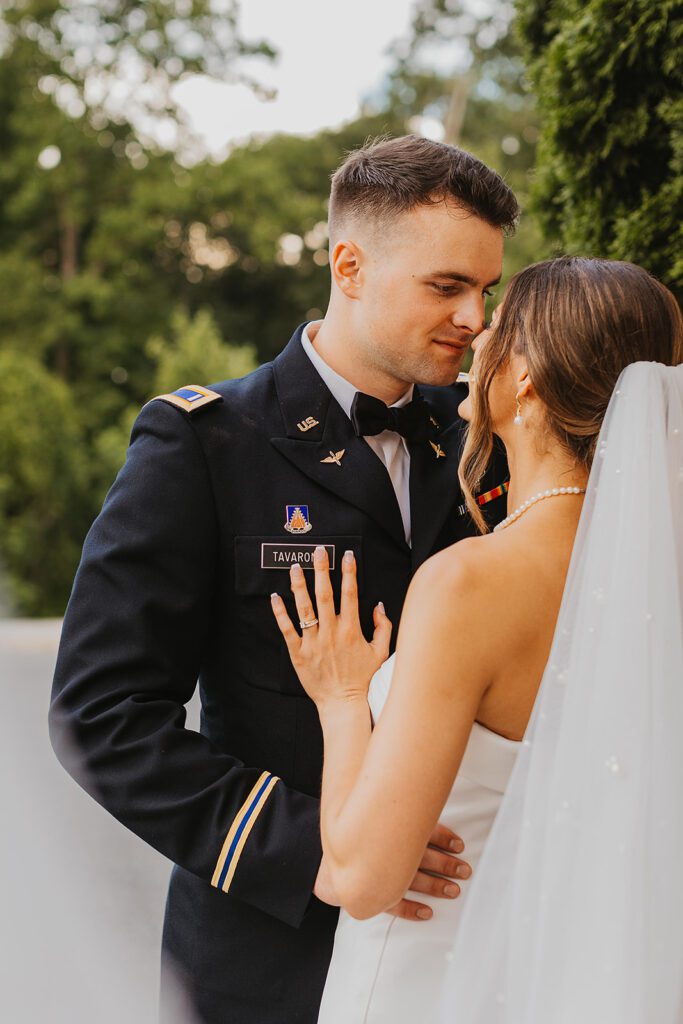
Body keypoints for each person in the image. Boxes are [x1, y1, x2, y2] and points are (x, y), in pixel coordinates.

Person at [48, 135, 516, 1024]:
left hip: (466, 943)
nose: (475, 318)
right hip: (268, 956)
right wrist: (327, 852)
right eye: (447, 286)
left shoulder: (481, 443)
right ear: (349, 265)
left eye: (485, 290)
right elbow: (99, 715)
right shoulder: (203, 443)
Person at [271, 256, 683, 1022]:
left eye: (496, 324)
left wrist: (341, 697)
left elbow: (358, 879)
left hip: (426, 980)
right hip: (565, 979)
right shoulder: (659, 578)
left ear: (523, 376)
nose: (476, 332)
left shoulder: (470, 583)